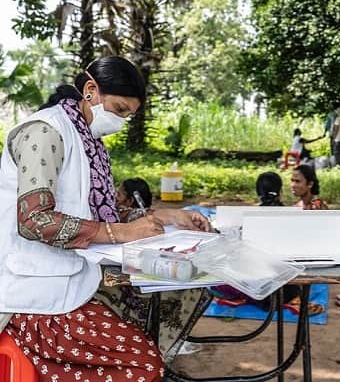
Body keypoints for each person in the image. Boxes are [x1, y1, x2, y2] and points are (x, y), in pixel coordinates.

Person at [0, 56, 210, 382]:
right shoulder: (44, 133)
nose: (122, 120)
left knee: (152, 310)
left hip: (70, 280)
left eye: (129, 115)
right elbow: (34, 220)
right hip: (32, 297)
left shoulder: (86, 140)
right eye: (119, 109)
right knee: (142, 365)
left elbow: (96, 213)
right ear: (90, 91)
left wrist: (162, 217)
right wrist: (119, 233)